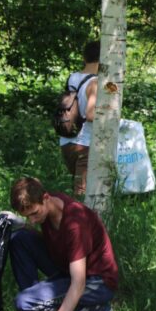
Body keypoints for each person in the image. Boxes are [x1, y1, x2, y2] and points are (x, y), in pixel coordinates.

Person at [7, 177, 118, 311]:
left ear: (46, 198)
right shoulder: (49, 206)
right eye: (27, 217)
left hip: (97, 282)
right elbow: (54, 241)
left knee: (24, 302)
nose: (33, 220)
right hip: (68, 266)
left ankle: (96, 307)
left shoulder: (75, 223)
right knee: (19, 239)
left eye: (34, 214)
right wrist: (22, 225)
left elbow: (78, 282)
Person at [59, 40, 100, 196]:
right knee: (82, 193)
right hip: (84, 144)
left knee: (78, 189)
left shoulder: (72, 77)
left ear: (85, 57)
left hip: (67, 141)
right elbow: (90, 114)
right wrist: (111, 116)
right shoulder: (95, 82)